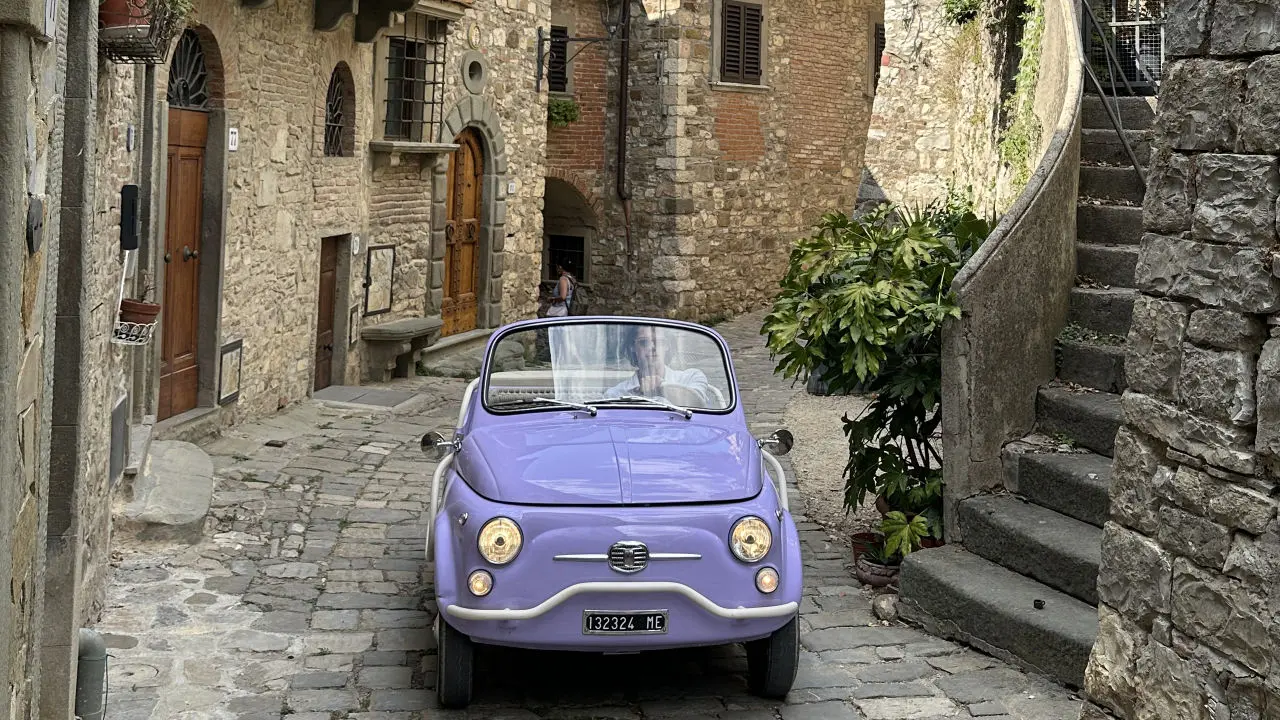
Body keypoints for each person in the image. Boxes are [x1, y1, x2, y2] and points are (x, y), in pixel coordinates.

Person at [604, 324, 711, 405]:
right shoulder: (616, 394)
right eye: (644, 342)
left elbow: (699, 403)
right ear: (632, 347)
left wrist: (662, 388)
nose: (652, 348)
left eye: (659, 342)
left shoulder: (691, 377)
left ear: (667, 346)